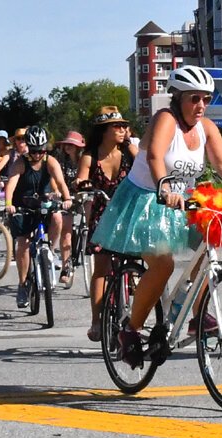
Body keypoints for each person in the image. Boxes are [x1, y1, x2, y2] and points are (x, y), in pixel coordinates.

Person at [92, 65, 222, 362]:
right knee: (162, 265)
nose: (201, 105)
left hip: (182, 200)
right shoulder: (166, 119)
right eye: (194, 98)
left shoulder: (206, 128)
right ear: (177, 98)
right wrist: (164, 188)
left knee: (208, 243)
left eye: (206, 98)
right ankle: (129, 330)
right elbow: (153, 154)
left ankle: (195, 312)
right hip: (146, 200)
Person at [75, 106, 138, 342]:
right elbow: (81, 177)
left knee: (140, 260)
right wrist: (81, 184)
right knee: (101, 268)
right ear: (104, 130)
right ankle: (96, 321)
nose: (122, 130)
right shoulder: (90, 156)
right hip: (103, 214)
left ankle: (133, 287)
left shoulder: (129, 151)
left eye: (124, 126)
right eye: (117, 126)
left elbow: (145, 164)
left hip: (127, 212)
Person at [4, 127, 73, 308]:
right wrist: (9, 203)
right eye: (34, 151)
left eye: (41, 150)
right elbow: (10, 185)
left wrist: (66, 199)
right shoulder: (20, 162)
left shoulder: (50, 161)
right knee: (24, 243)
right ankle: (22, 284)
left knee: (58, 217)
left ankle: (50, 249)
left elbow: (60, 181)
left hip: (43, 203)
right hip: (23, 205)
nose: (37, 155)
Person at [54, 130, 87, 283]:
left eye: (72, 144)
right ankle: (66, 267)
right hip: (66, 197)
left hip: (83, 196)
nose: (68, 147)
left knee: (89, 226)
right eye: (66, 144)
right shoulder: (60, 160)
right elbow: (55, 178)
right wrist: (56, 191)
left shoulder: (85, 159)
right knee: (66, 231)